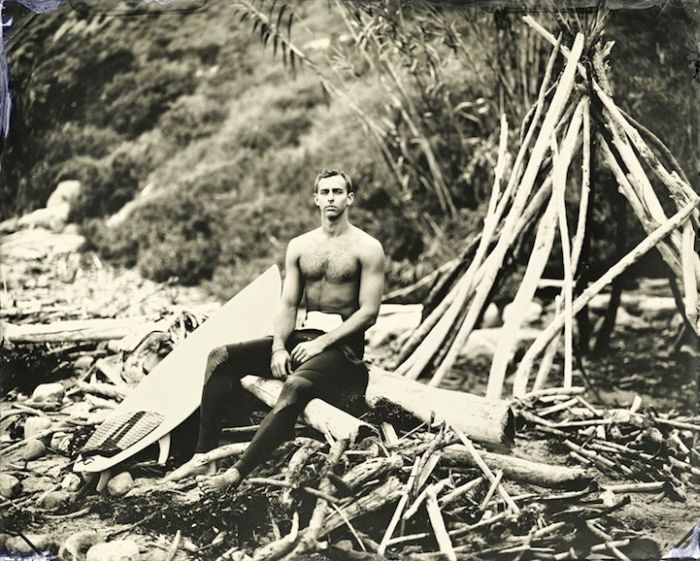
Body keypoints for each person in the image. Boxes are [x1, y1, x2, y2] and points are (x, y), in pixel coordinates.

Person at [165, 169, 385, 493]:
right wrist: (279, 346)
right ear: (316, 199)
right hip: (302, 339)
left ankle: (234, 475)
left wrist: (322, 344)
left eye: (338, 192)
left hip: (342, 351)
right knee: (220, 357)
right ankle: (204, 457)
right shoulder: (300, 246)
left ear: (349, 198)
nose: (331, 198)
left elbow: (369, 313)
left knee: (294, 386)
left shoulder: (367, 248)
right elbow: (289, 303)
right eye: (325, 192)